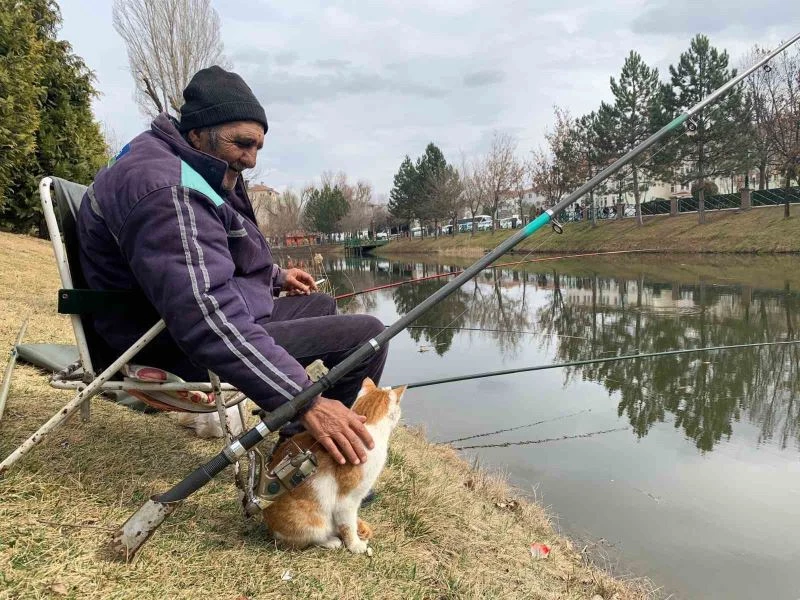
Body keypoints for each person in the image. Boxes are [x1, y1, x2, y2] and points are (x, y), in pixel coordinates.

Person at [77, 66, 387, 466]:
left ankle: (302, 438)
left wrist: (275, 277)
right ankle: (308, 455)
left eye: (257, 147)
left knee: (322, 305)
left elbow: (201, 256)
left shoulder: (182, 164)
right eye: (242, 143)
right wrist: (303, 399)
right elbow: (206, 316)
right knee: (368, 336)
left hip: (163, 318)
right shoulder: (169, 191)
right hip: (166, 344)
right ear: (198, 132)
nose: (251, 159)